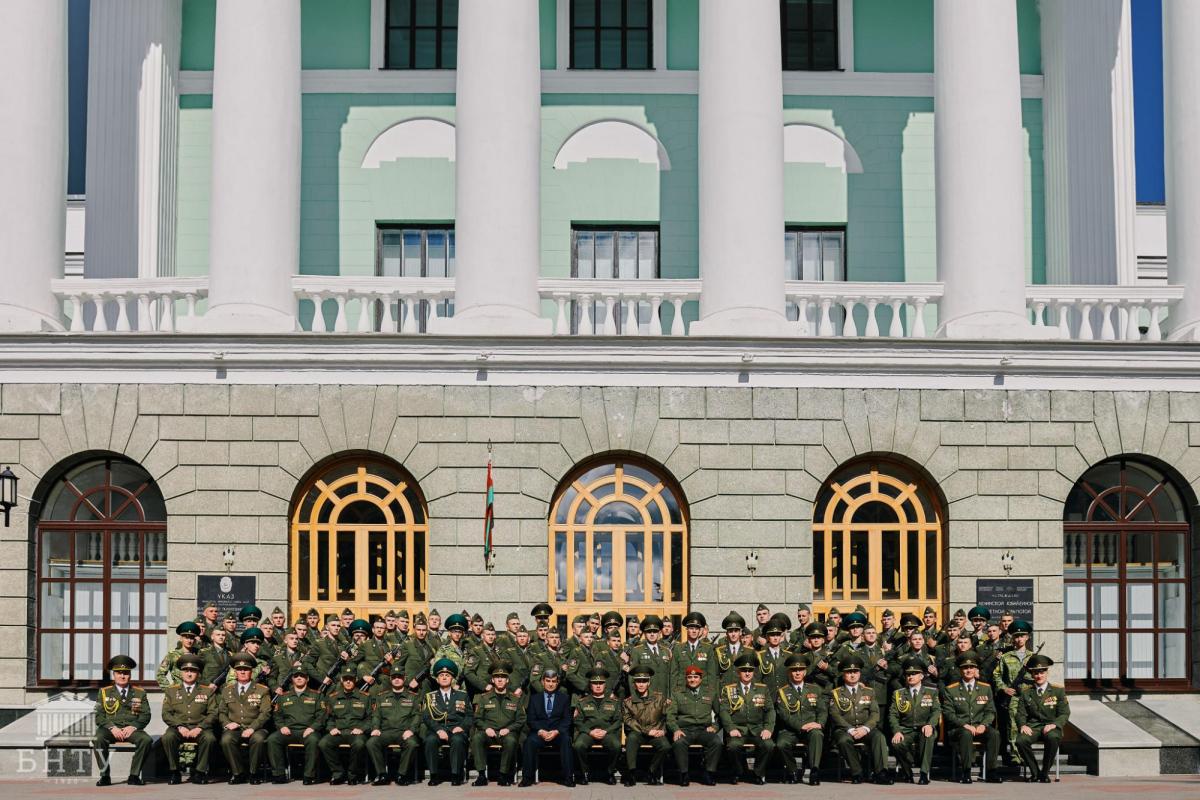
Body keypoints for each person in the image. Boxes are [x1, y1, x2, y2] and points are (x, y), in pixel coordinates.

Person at [829, 654, 890, 785]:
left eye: (855, 672)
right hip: (845, 729)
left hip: (865, 728)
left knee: (879, 737)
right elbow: (835, 715)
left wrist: (865, 728)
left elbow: (874, 713)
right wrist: (850, 729)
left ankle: (881, 773)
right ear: (843, 674)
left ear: (859, 674)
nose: (852, 675)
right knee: (843, 741)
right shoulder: (836, 693)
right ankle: (857, 772)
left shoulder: (869, 691)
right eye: (849, 672)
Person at [942, 651, 1002, 784]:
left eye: (971, 667)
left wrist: (983, 725)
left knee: (995, 734)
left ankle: (992, 771)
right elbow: (948, 713)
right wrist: (964, 724)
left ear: (976, 670)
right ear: (960, 670)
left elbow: (990, 711)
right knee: (966, 734)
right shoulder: (951, 689)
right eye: (965, 668)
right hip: (959, 729)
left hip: (980, 726)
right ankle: (966, 772)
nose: (968, 670)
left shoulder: (985, 688)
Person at [91, 655, 152, 787]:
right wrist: (112, 727)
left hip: (131, 730)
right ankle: (105, 776)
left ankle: (134, 776)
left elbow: (146, 715)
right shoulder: (104, 692)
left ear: (130, 675)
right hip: (110, 729)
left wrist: (134, 727)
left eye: (126, 673)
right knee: (98, 739)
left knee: (146, 740)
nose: (122, 676)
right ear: (114, 675)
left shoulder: (140, 693)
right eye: (119, 673)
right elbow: (99, 715)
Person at [718, 651, 775, 785]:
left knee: (769, 745)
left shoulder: (762, 689)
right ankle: (739, 772)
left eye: (750, 670)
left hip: (757, 729)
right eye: (744, 670)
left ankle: (757, 773)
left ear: (754, 672)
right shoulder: (729, 689)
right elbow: (724, 711)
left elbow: (770, 710)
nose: (747, 673)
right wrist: (730, 728)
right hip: (738, 730)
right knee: (733, 746)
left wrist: (768, 728)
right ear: (738, 672)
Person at [160, 653, 218, 785]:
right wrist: (179, 726)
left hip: (200, 727)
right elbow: (166, 714)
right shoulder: (171, 691)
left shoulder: (206, 691)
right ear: (181, 672)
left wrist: (200, 727)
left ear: (198, 673)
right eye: (186, 670)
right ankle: (175, 772)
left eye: (193, 671)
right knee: (167, 737)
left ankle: (200, 772)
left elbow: (213, 713)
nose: (189, 673)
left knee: (210, 738)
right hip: (178, 727)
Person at [1015, 654, 1070, 783]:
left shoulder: (1058, 691)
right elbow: (1020, 713)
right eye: (1035, 673)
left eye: (1042, 672)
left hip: (1051, 726)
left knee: (1053, 737)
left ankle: (1045, 773)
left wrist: (1055, 725)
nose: (1039, 675)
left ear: (1047, 672)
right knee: (1020, 740)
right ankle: (1035, 773)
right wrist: (1023, 725)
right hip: (1033, 727)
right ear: (1032, 674)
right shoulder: (1026, 692)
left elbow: (1064, 713)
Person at [217, 653, 271, 785]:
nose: (242, 672)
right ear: (235, 672)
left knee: (258, 739)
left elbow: (266, 712)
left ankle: (253, 773)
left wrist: (252, 728)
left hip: (256, 727)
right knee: (226, 739)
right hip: (235, 728)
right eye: (239, 669)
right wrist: (227, 723)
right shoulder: (227, 690)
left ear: (251, 672)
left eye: (246, 669)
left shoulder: (262, 690)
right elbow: (221, 712)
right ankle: (238, 773)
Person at [773, 653, 826, 786]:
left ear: (805, 671)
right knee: (781, 744)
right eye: (794, 670)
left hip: (812, 728)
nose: (797, 673)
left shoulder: (815, 689)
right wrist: (801, 726)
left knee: (817, 735)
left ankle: (814, 771)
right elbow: (783, 714)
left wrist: (819, 724)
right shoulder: (782, 692)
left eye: (800, 670)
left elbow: (822, 710)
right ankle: (793, 771)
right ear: (789, 672)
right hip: (790, 730)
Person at [470, 661, 525, 786]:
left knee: (511, 741)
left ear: (507, 680)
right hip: (489, 733)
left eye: (503, 677)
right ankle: (482, 775)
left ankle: (503, 775)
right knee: (477, 737)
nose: (500, 680)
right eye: (497, 677)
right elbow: (477, 718)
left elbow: (521, 719)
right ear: (492, 680)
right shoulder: (484, 698)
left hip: (506, 733)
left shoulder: (515, 699)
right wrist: (486, 728)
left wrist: (509, 729)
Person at [266, 668, 325, 785]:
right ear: (292, 679)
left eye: (302, 676)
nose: (299, 678)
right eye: (296, 676)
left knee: (313, 741)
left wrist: (312, 728)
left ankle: (309, 776)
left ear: (307, 679)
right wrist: (282, 726)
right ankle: (279, 775)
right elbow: (277, 715)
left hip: (308, 731)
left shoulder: (317, 695)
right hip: (289, 731)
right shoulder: (283, 696)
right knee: (273, 739)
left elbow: (322, 715)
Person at [366, 669, 424, 786]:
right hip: (386, 732)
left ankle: (401, 775)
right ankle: (382, 775)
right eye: (394, 677)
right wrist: (376, 728)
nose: (397, 679)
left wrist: (411, 730)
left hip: (404, 732)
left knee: (412, 743)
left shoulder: (412, 696)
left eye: (399, 677)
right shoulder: (382, 697)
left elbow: (417, 716)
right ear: (390, 679)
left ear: (404, 678)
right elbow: (376, 715)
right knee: (371, 743)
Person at [888, 658, 940, 784]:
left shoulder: (931, 692)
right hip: (906, 729)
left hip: (924, 727)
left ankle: (923, 774)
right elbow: (893, 715)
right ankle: (908, 772)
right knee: (896, 743)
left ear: (921, 676)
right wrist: (897, 731)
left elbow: (936, 711)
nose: (910, 676)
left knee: (928, 737)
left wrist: (930, 725)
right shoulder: (898, 694)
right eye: (908, 674)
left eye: (914, 674)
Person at [667, 664, 721, 786]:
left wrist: (715, 727)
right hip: (685, 730)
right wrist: (675, 730)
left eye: (695, 677)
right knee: (679, 742)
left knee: (716, 742)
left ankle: (709, 773)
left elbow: (720, 713)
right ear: (686, 679)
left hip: (703, 730)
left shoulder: (710, 693)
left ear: (701, 679)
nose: (692, 680)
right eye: (690, 677)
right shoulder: (677, 693)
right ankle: (683, 774)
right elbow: (670, 716)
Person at [422, 658, 472, 785]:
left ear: (452, 679)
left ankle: (456, 775)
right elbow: (427, 717)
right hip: (437, 729)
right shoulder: (430, 696)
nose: (444, 677)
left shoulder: (462, 695)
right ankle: (434, 775)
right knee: (430, 740)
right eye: (441, 675)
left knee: (458, 740)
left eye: (447, 675)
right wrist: (438, 730)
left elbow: (470, 716)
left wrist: (461, 727)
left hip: (456, 729)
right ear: (437, 679)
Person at [520, 668, 574, 787]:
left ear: (557, 682)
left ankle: (568, 778)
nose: (550, 684)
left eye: (553, 681)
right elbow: (531, 719)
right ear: (542, 682)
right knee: (529, 742)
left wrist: (556, 731)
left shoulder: (564, 698)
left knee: (566, 740)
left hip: (557, 733)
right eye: (548, 681)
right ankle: (527, 778)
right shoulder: (534, 698)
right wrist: (540, 731)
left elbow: (567, 719)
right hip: (540, 732)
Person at [319, 666, 371, 784]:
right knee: (324, 743)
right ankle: (338, 773)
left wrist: (362, 729)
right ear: (342, 680)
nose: (348, 681)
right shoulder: (333, 697)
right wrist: (331, 728)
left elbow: (371, 718)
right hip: (339, 731)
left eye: (351, 679)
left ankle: (352, 774)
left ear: (355, 680)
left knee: (359, 744)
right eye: (346, 679)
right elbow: (329, 717)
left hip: (356, 732)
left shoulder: (365, 697)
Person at [621, 664, 671, 786]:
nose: (641, 684)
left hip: (656, 732)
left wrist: (663, 730)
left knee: (665, 746)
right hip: (638, 732)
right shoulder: (628, 702)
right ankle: (631, 773)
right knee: (631, 739)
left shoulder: (659, 698)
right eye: (638, 681)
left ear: (649, 683)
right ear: (634, 684)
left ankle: (651, 772)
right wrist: (646, 731)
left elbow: (667, 716)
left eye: (644, 681)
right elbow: (628, 720)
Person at [994, 619, 1035, 764]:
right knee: (1012, 725)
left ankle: (1025, 752)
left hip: (1029, 698)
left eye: (1022, 636)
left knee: (1027, 725)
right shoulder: (1006, 657)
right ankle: (1016, 754)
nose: (1019, 639)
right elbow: (996, 675)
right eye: (1016, 636)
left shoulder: (1033, 657)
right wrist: (1004, 688)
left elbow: (1038, 677)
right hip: (1013, 698)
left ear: (1027, 637)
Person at [628, 614, 673, 697]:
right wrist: (635, 698)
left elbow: (670, 676)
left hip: (664, 697)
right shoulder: (637, 651)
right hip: (645, 698)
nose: (652, 634)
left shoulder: (666, 651)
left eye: (655, 631)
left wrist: (670, 697)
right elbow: (632, 676)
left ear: (659, 633)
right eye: (649, 632)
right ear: (644, 633)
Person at [158, 621, 203, 688]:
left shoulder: (200, 654)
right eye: (186, 638)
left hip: (195, 692)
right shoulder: (172, 655)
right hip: (177, 693)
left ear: (194, 640)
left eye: (191, 638)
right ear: (181, 638)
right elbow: (160, 674)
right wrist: (170, 690)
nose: (189, 641)